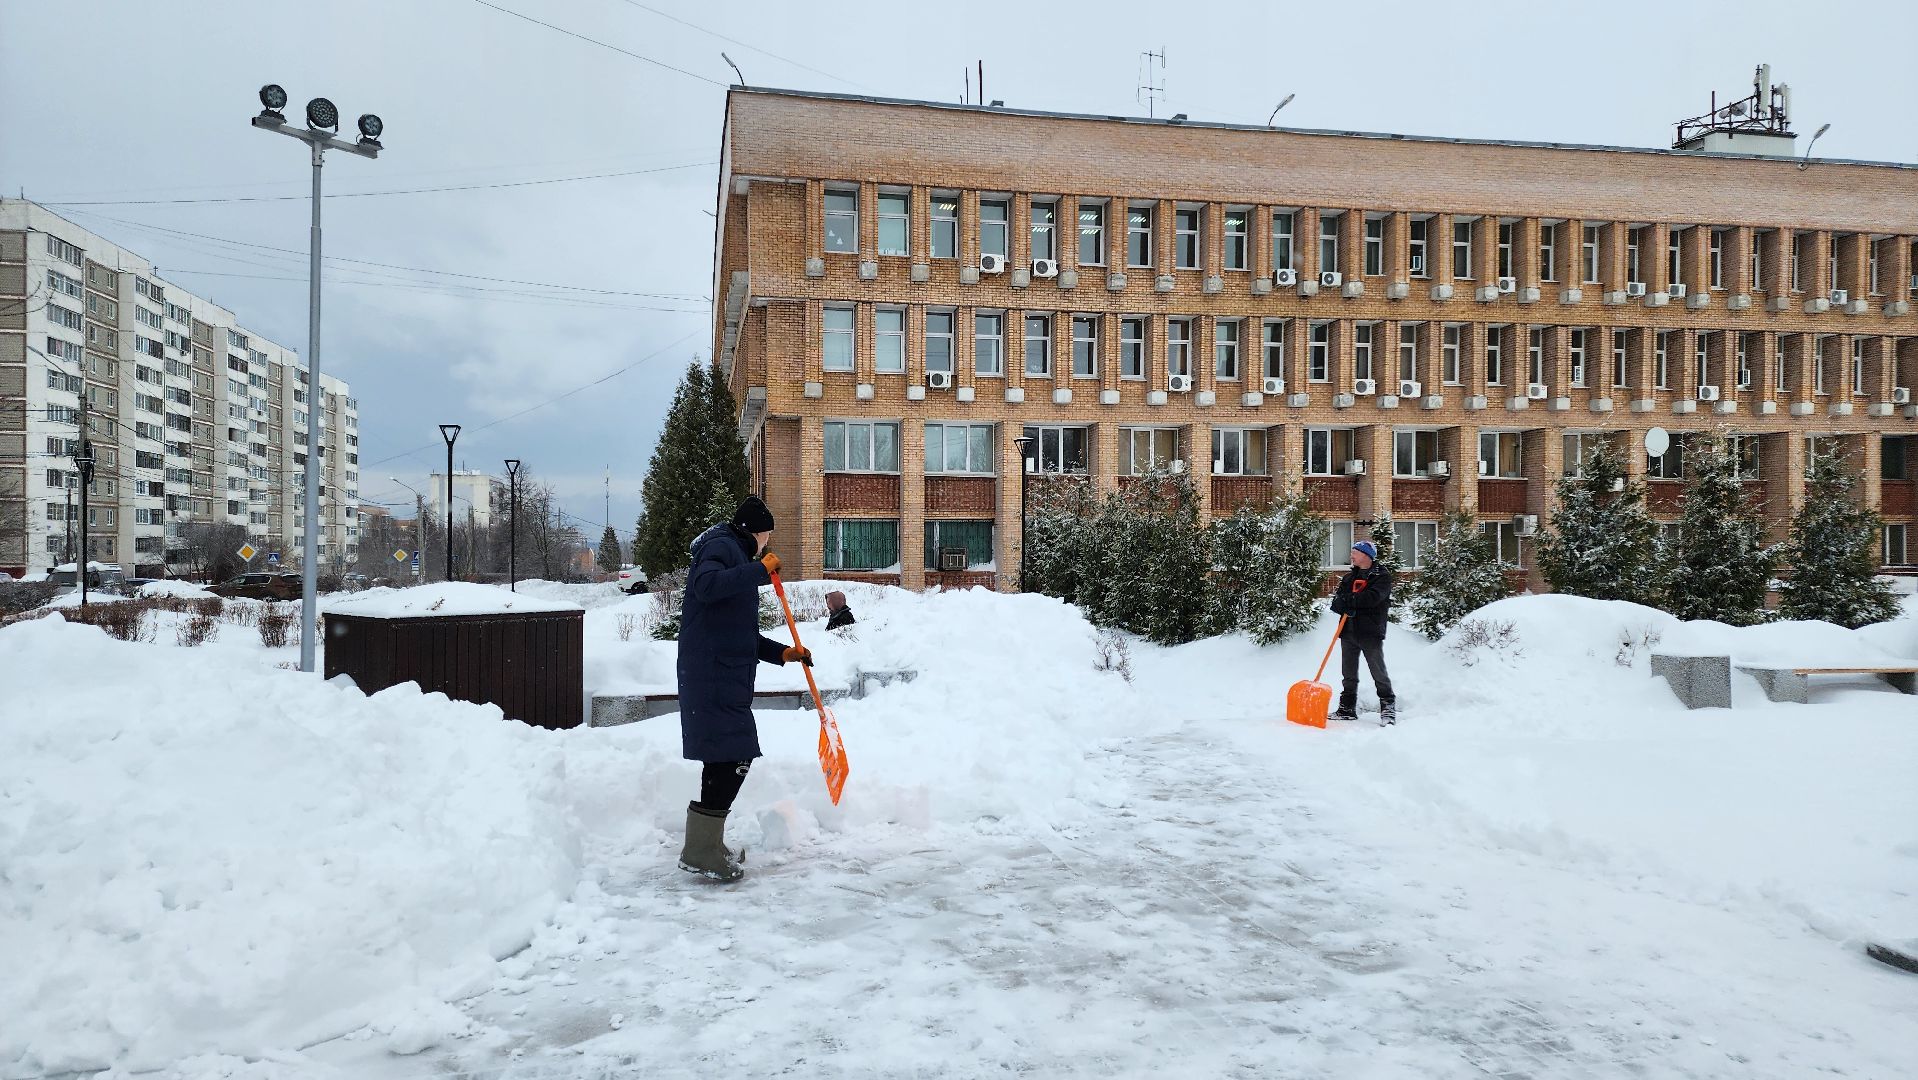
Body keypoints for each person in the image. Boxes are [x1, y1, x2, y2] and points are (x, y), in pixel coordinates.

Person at [675, 495, 812, 881]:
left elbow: (737, 632)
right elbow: (706, 586)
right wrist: (758, 571)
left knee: (720, 758)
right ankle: (701, 848)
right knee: (737, 755)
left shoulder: (731, 549)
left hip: (719, 673)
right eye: (767, 536)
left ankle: (706, 846)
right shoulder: (723, 547)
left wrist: (783, 653)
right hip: (714, 676)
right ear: (757, 531)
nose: (768, 544)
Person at [1327, 539, 1396, 725]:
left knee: (1378, 671)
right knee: (1348, 673)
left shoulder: (1381, 576)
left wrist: (1351, 600)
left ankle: (1388, 707)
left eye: (1354, 552)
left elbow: (1373, 598)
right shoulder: (1349, 578)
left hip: (1369, 632)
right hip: (1348, 631)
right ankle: (1347, 708)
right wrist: (1343, 603)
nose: (1351, 555)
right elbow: (1338, 601)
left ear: (1366, 555)